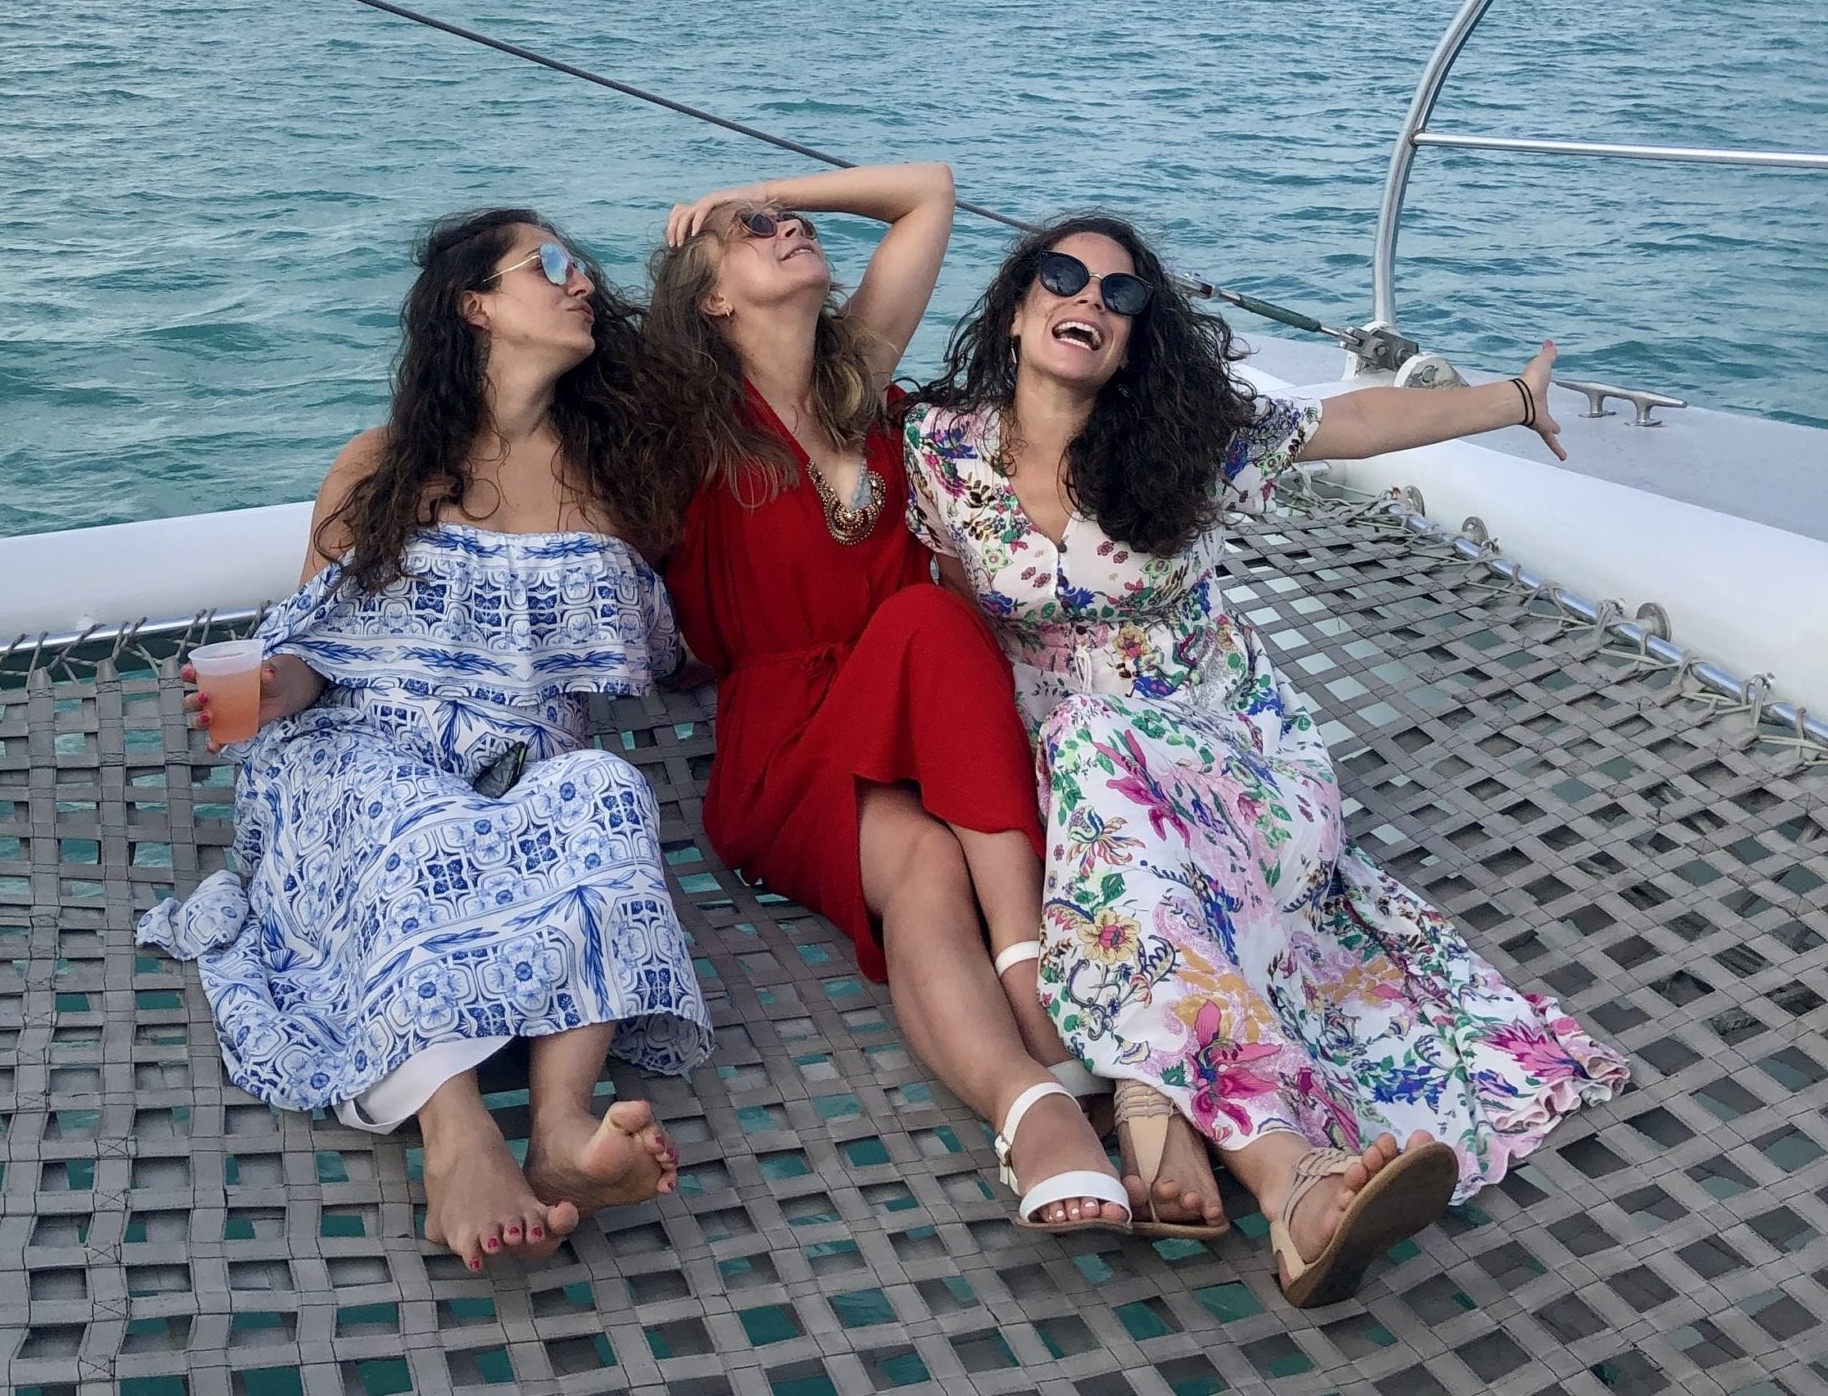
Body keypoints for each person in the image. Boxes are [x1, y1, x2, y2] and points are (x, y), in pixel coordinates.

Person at [904, 214, 1629, 1307]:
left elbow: (1348, 420)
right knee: (1096, 788)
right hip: (1083, 795)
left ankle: (1168, 1120)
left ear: (1137, 339)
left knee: (1094, 748)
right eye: (1063, 276)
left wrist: (1509, 401)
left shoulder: (1187, 444)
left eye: (1122, 295)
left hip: (1240, 767)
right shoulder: (939, 453)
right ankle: (1288, 1186)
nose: (1090, 301)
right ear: (1015, 307)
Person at [138, 209, 712, 1273]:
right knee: (398, 803)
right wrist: (270, 686)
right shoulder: (380, 464)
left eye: (580, 267)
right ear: (475, 304)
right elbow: (320, 647)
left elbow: (658, 650)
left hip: (520, 762)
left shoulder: (612, 477)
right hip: (354, 747)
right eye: (546, 265)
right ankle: (454, 1135)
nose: (577, 282)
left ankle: (558, 1129)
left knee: (603, 790)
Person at [634, 165, 1159, 1236]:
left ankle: (1025, 1055)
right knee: (918, 830)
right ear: (711, 300)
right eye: (750, 233)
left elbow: (926, 193)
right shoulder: (685, 428)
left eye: (787, 222)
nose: (783, 230)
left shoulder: (858, 386)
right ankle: (1033, 1083)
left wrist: (762, 186)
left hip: (915, 712)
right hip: (782, 751)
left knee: (925, 646)